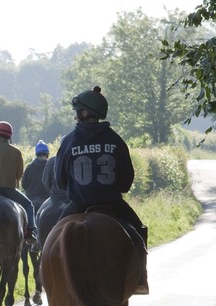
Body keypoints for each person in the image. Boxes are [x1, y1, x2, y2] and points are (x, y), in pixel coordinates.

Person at [53, 85, 147, 249]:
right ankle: (141, 273)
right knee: (139, 232)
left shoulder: (68, 142)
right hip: (112, 205)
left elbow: (60, 181)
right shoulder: (116, 140)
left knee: (52, 239)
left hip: (79, 205)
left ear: (84, 113)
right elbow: (126, 183)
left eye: (77, 112)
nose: (75, 117)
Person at [21, 140, 51, 212]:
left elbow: (23, 184)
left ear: (36, 154)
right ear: (47, 153)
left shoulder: (29, 167)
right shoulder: (51, 166)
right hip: (47, 200)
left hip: (31, 199)